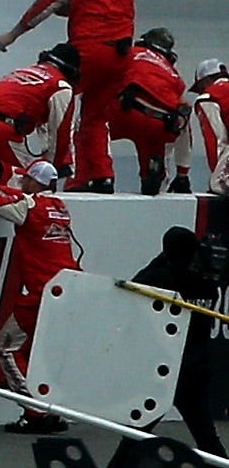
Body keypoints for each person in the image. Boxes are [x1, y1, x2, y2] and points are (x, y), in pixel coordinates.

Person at [0, 0, 137, 193]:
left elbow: (47, 2)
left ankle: (57, 168)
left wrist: (13, 34)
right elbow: (101, 6)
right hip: (121, 57)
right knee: (95, 117)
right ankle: (100, 176)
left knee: (54, 99)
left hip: (87, 50)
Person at [0, 159, 82, 435]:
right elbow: (18, 193)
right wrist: (0, 183)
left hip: (42, 293)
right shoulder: (59, 207)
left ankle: (35, 412)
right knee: (40, 354)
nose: (21, 183)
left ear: (35, 182)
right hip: (68, 289)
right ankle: (51, 409)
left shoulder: (30, 208)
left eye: (25, 179)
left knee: (5, 348)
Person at [121, 227, 228, 459]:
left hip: (164, 369)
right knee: (207, 439)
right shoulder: (207, 282)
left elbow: (135, 283)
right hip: (196, 369)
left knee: (134, 435)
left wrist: (162, 258)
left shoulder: (162, 279)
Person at [0, 43, 79, 185]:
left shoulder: (21, 72)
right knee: (26, 183)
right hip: (0, 129)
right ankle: (4, 178)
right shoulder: (60, 85)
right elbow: (59, 134)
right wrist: (50, 171)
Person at [106, 27, 191, 195]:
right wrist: (183, 173)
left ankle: (101, 176)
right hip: (160, 124)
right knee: (155, 177)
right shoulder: (173, 74)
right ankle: (160, 177)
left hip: (126, 111)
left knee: (93, 127)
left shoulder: (131, 53)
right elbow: (184, 110)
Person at [185, 58, 229, 196]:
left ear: (205, 81)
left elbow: (217, 141)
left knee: (218, 184)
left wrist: (219, 180)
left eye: (199, 88)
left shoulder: (208, 97)